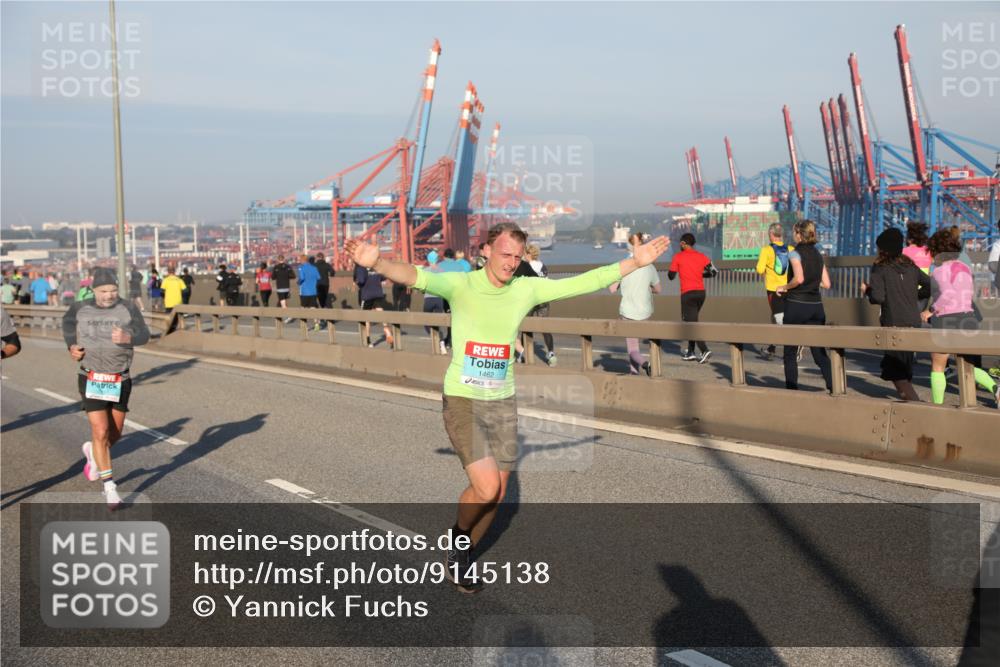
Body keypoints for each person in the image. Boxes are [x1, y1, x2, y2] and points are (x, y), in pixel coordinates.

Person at [344, 222, 670, 593]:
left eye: (517, 256)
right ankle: (457, 540)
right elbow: (414, 275)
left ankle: (461, 553)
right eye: (505, 254)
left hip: (502, 401)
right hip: (464, 398)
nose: (511, 263)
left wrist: (633, 262)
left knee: (497, 495)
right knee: (484, 489)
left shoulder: (525, 289)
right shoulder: (460, 284)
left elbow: (583, 282)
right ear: (485, 250)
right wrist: (379, 263)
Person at [62, 267, 150, 509]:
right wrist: (72, 346)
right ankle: (110, 488)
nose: (109, 295)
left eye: (112, 290)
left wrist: (128, 338)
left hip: (120, 379)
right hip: (91, 376)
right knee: (100, 430)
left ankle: (93, 451)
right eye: (103, 291)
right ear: (94, 290)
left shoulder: (129, 308)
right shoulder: (81, 307)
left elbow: (145, 335)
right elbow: (67, 323)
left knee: (115, 433)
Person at [922, 228, 999, 407]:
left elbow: (947, 294)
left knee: (938, 366)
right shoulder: (964, 267)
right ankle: (996, 390)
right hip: (968, 317)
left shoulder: (940, 270)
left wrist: (930, 310)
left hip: (946, 320)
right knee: (968, 366)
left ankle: (937, 406)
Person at [861, 227, 930, 401]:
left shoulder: (880, 267)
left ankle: (917, 407)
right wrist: (915, 295)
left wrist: (867, 290)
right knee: (904, 367)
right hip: (913, 322)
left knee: (895, 370)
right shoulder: (910, 265)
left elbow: (877, 297)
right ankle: (909, 404)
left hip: (893, 323)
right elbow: (930, 285)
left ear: (883, 248)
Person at [775, 220, 833, 392]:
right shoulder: (818, 254)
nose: (793, 235)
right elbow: (827, 284)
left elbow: (798, 279)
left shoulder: (794, 254)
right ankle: (833, 386)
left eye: (794, 232)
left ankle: (792, 390)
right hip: (816, 306)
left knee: (790, 351)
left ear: (799, 234)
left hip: (796, 305)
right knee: (819, 351)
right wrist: (812, 283)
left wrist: (783, 287)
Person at [610, 232, 661, 375]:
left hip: (628, 312)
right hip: (645, 312)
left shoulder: (623, 265)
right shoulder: (650, 266)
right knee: (640, 346)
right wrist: (647, 287)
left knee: (632, 349)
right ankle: (634, 374)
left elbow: (612, 289)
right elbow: (658, 289)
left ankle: (646, 364)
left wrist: (621, 283)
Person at [668, 233, 714, 363]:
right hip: (701, 294)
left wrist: (674, 271)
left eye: (680, 243)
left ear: (683, 243)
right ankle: (691, 352)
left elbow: (671, 276)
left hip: (688, 294)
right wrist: (700, 275)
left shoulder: (678, 257)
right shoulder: (701, 256)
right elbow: (714, 272)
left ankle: (704, 350)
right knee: (692, 320)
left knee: (690, 323)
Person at [755, 223, 793, 360]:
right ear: (781, 235)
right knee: (777, 317)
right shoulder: (791, 249)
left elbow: (759, 269)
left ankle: (793, 346)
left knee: (779, 320)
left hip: (773, 289)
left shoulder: (766, 250)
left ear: (771, 235)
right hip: (789, 288)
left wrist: (766, 269)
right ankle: (771, 348)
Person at [353, 260, 393, 348]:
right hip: (378, 293)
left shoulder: (361, 267)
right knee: (379, 309)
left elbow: (361, 280)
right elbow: (383, 277)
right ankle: (386, 329)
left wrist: (357, 282)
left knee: (366, 318)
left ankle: (368, 341)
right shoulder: (375, 265)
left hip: (367, 295)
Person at [421, 251, 447, 353]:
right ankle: (441, 343)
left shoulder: (425, 271)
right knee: (437, 322)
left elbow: (422, 286)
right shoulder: (442, 271)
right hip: (439, 299)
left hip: (428, 299)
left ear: (428, 260)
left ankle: (438, 341)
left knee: (426, 321)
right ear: (437, 259)